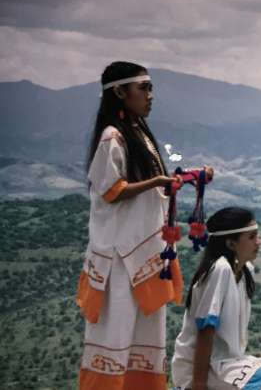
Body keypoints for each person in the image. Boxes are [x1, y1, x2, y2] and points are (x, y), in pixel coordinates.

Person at [77, 61, 183, 389]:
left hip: (143, 258)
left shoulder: (136, 132)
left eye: (151, 87)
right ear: (120, 92)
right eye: (144, 88)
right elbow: (112, 191)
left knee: (144, 339)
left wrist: (167, 183)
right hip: (119, 261)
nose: (151, 96)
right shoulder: (112, 136)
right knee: (113, 338)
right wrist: (155, 182)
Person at [171, 207, 261, 390]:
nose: (259, 242)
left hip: (229, 363)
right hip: (204, 368)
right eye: (252, 237)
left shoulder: (246, 270)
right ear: (231, 243)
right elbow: (205, 331)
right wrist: (198, 385)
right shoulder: (220, 269)